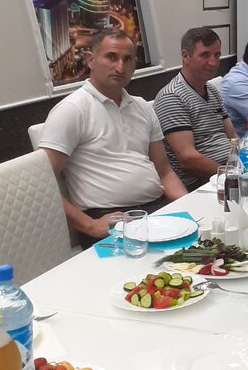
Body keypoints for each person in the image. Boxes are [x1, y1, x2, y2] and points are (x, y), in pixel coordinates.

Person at [40, 28, 187, 247]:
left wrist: (187, 205)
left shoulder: (142, 106)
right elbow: (41, 184)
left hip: (156, 210)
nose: (120, 67)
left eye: (128, 59)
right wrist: (90, 225)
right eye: (111, 57)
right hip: (109, 219)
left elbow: (164, 171)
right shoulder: (72, 110)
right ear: (90, 60)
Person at [153, 27, 237, 191]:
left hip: (228, 173)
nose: (213, 62)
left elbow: (233, 137)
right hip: (201, 183)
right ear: (186, 56)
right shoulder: (172, 97)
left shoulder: (212, 91)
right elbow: (187, 158)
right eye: (205, 55)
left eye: (217, 55)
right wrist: (231, 176)